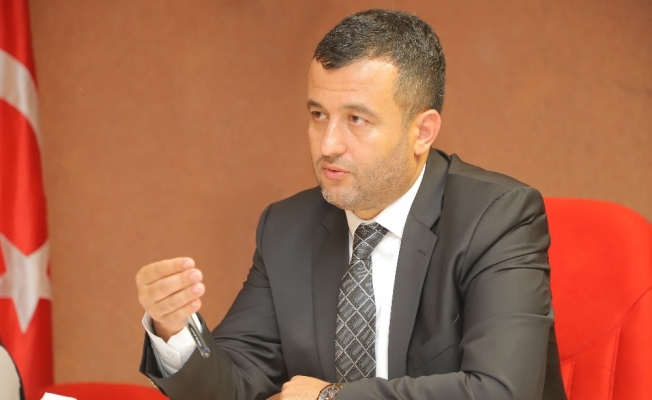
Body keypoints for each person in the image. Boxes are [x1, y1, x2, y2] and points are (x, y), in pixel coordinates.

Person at [137, 9, 567, 400]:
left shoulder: (496, 216)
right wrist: (174, 331)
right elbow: (236, 382)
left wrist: (331, 398)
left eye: (356, 120)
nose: (328, 145)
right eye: (318, 115)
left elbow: (501, 391)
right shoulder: (286, 227)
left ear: (422, 132)